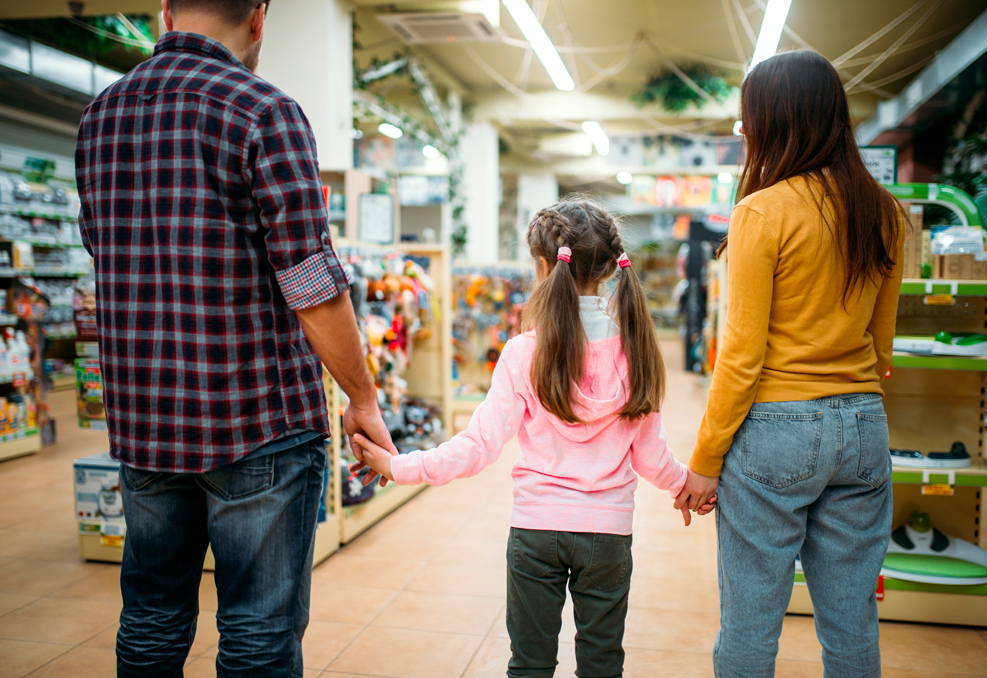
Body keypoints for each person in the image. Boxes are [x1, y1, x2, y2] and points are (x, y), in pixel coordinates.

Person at [74, 1, 397, 675]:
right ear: (258, 17)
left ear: (165, 11)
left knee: (152, 613)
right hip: (256, 423)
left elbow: (104, 252)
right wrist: (362, 396)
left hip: (146, 422)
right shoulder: (263, 111)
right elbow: (310, 281)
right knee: (257, 627)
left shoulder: (100, 116)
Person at [354, 200, 715, 678]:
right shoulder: (637, 348)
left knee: (529, 663)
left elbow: (478, 446)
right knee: (603, 661)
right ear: (610, 267)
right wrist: (689, 485)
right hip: (608, 536)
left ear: (544, 266)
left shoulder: (524, 352)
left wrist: (399, 465)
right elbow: (652, 458)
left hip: (535, 531)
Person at [673, 50, 905, 678]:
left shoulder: (762, 211)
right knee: (851, 619)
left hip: (776, 431)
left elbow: (741, 358)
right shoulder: (884, 212)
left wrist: (704, 461)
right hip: (863, 428)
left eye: (749, 121)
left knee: (751, 622)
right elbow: (882, 349)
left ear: (776, 121)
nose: (746, 133)